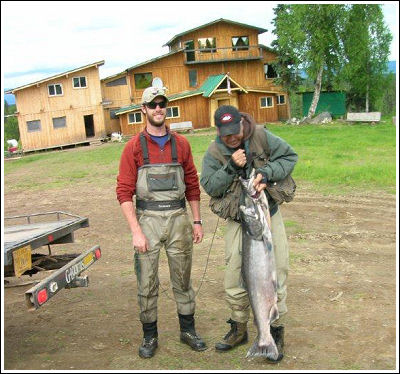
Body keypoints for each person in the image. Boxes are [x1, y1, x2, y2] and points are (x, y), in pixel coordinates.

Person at [200, 105, 298, 359]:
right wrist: (231, 167)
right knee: (235, 276)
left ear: (242, 124)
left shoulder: (262, 136)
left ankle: (273, 332)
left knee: (278, 271)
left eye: (235, 132)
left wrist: (267, 172)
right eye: (226, 135)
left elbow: (289, 158)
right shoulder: (214, 152)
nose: (232, 138)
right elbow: (210, 186)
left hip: (268, 216)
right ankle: (238, 326)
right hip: (238, 220)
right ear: (218, 131)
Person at [116, 85, 207, 359]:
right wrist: (136, 232)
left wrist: (197, 221)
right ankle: (150, 336)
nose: (158, 109)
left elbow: (192, 184)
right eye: (152, 105)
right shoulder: (133, 147)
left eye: (162, 104)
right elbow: (123, 192)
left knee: (183, 279)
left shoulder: (182, 144)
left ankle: (188, 330)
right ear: (143, 109)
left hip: (179, 219)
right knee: (147, 282)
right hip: (148, 221)